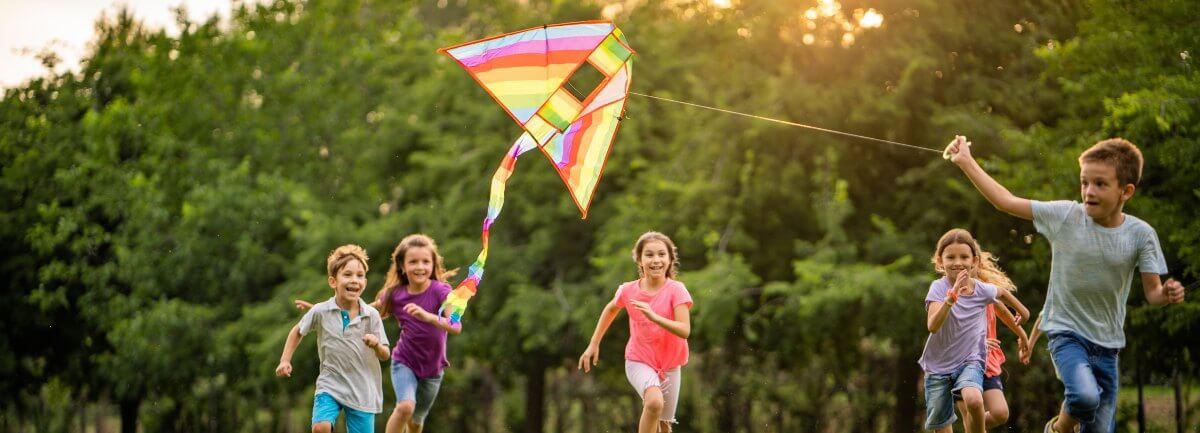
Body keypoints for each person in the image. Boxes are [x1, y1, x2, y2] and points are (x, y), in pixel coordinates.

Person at [946, 136, 1186, 432]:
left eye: (1100, 184)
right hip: (1067, 334)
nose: (1089, 191)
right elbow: (1005, 201)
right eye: (1084, 182)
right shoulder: (1066, 216)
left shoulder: (1141, 234)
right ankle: (1058, 428)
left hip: (1108, 345)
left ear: (1126, 191)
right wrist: (967, 161)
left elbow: (1153, 293)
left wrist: (1167, 294)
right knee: (1084, 396)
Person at [296, 234, 462, 433]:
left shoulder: (442, 291)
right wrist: (320, 310)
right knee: (405, 407)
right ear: (402, 265)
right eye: (413, 262)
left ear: (433, 264)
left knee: (415, 422)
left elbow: (455, 326)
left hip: (433, 369)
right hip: (404, 361)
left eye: (426, 261)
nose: (420, 267)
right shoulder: (396, 294)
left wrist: (429, 317)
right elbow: (363, 310)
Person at [578, 231, 693, 433]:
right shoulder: (628, 290)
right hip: (639, 360)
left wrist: (654, 317)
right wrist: (594, 343)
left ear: (670, 259)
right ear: (639, 260)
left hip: (670, 364)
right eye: (649, 255)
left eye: (661, 254)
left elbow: (684, 330)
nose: (656, 260)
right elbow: (611, 308)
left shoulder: (677, 290)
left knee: (665, 426)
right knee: (654, 403)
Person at [277, 244, 390, 433]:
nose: (354, 280)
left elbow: (385, 354)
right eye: (347, 274)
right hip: (330, 384)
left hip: (362, 391)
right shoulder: (321, 311)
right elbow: (297, 331)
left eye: (360, 275)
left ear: (365, 281)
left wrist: (377, 344)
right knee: (320, 428)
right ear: (332, 281)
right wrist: (285, 360)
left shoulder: (371, 315)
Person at [920, 228, 1000, 433]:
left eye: (964, 257)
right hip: (938, 366)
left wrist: (1022, 323)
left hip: (968, 360)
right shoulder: (938, 288)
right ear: (940, 261)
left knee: (974, 401)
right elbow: (933, 326)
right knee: (942, 427)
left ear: (974, 260)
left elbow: (1001, 297)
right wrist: (950, 300)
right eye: (950, 257)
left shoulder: (980, 289)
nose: (958, 262)